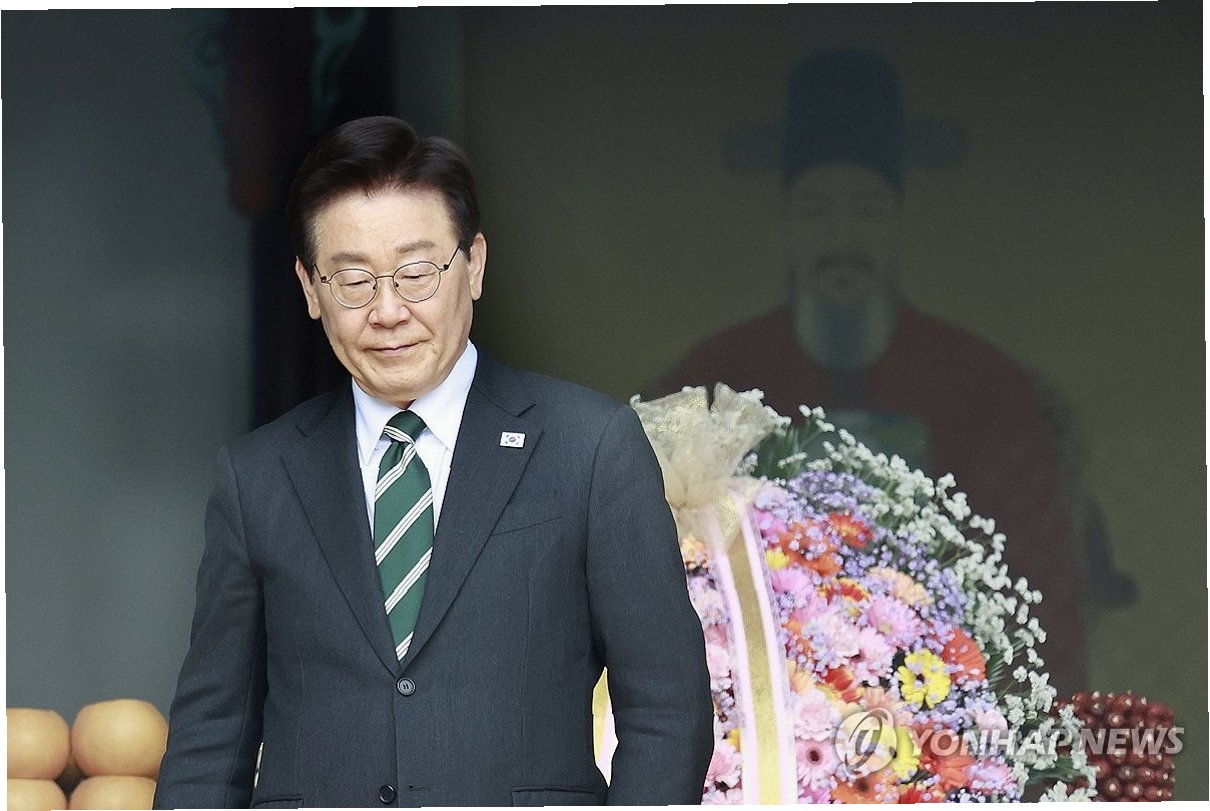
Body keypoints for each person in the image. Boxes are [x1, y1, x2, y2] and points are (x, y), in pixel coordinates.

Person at [154, 116, 714, 808]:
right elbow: (212, 735)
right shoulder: (258, 475)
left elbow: (667, 707)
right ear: (309, 288)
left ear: (473, 265)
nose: (388, 311)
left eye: (417, 274)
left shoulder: (590, 447)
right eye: (353, 280)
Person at [657, 50, 1090, 693]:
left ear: (898, 223)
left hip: (941, 700)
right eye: (815, 211)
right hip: (759, 698)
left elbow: (1038, 589)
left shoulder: (984, 386)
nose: (843, 239)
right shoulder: (716, 380)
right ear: (785, 224)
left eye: (867, 210)